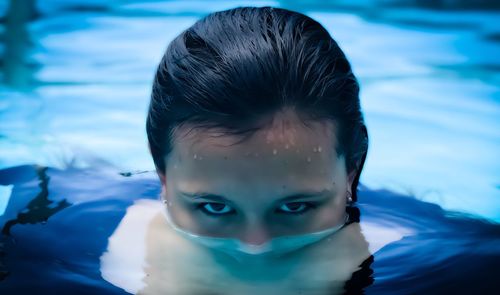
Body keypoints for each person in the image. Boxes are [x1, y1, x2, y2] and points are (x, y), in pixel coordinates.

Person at [126, 5, 372, 294]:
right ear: (162, 174)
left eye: (295, 207)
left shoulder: (426, 260)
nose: (255, 247)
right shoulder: (75, 243)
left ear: (351, 169)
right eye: (214, 207)